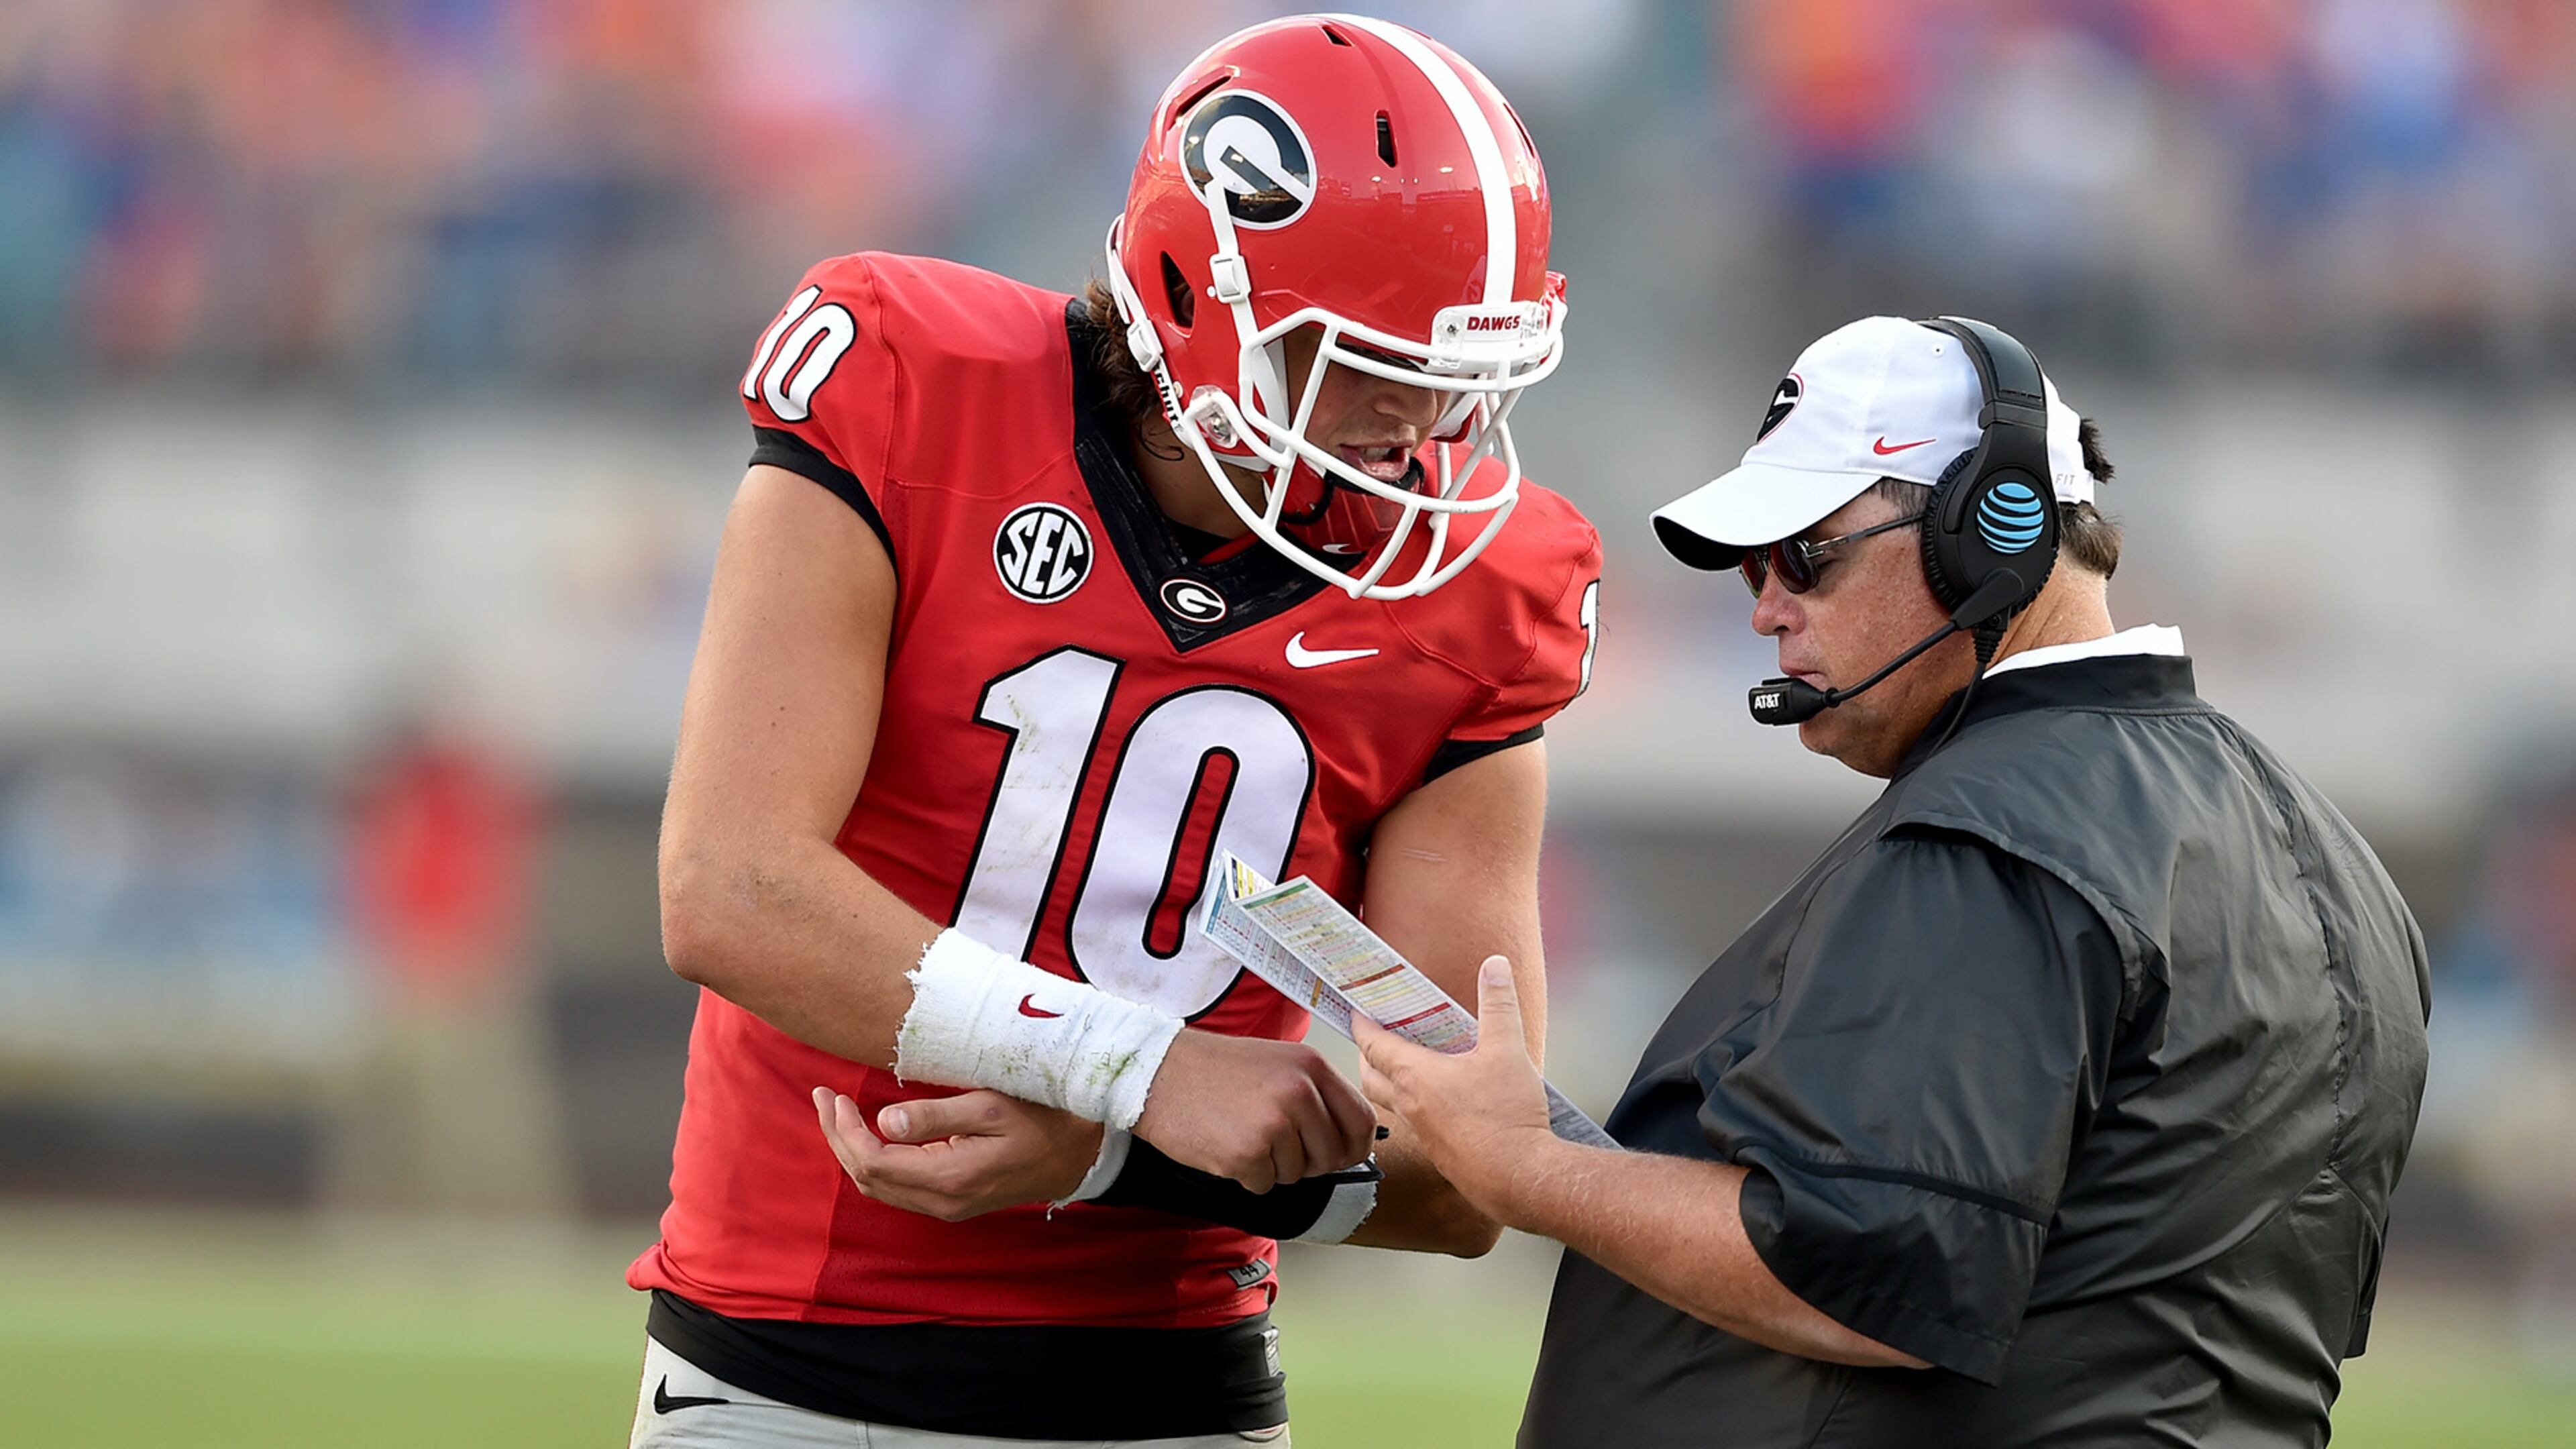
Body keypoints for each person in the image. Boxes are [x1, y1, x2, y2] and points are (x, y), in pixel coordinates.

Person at [631, 15, 1601, 1448]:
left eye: (1459, 375)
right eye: (1371, 365)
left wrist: (1114, 1156)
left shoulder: (1477, 583)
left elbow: (1469, 1166)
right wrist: (1141, 1070)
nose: (1426, 430)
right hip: (790, 1356)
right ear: (1196, 296)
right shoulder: (914, 383)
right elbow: (731, 889)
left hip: (1176, 1386)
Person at [1356, 315, 2430, 1447]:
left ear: (1993, 530)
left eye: (1805, 554)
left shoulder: (1995, 828)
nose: (1767, 603)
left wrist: (1526, 1165)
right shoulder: (2326, 850)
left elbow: (1861, 1267)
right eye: (1751, 567)